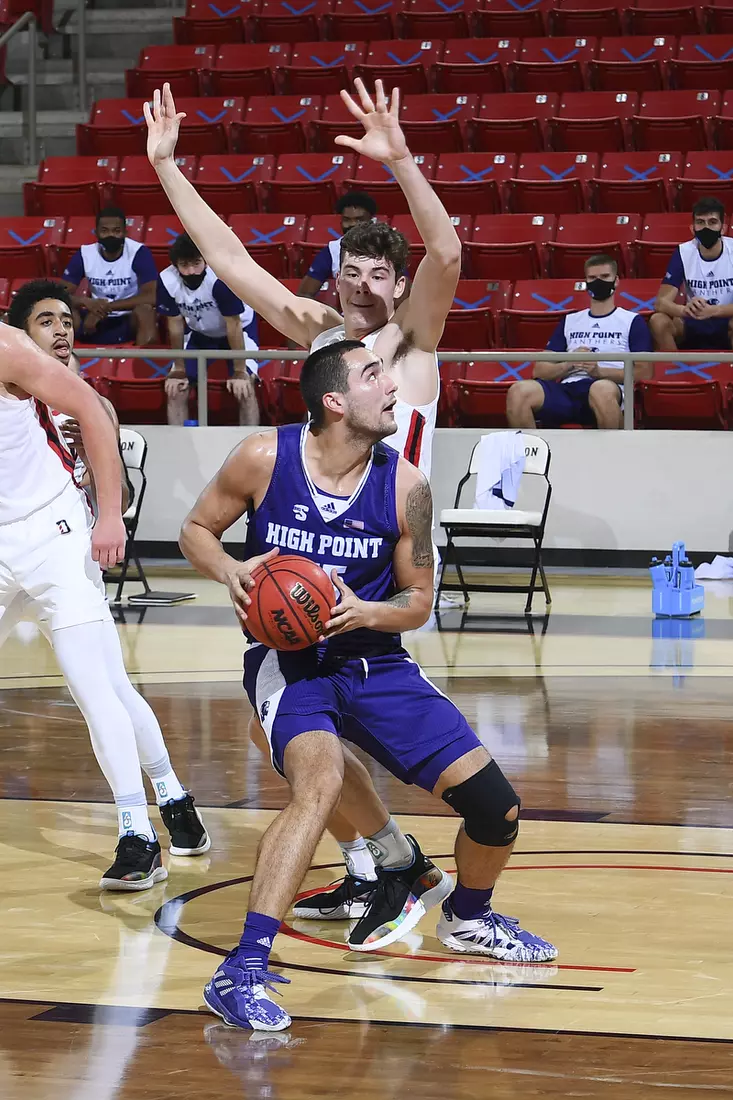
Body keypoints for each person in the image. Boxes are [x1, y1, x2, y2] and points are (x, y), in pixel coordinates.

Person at [144, 79, 459, 914]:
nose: (360, 284)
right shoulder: (322, 337)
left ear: (398, 285)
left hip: (384, 561)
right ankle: (380, 863)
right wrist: (167, 168)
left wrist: (402, 163)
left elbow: (449, 255)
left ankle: (393, 863)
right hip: (312, 555)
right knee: (273, 728)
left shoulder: (412, 339)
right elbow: (228, 261)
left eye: (377, 274)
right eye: (348, 270)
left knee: (312, 731)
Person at [179, 340, 557, 1031]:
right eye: (372, 376)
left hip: (376, 658)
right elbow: (196, 529)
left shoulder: (405, 485)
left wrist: (365, 612)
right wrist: (230, 570)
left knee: (495, 808)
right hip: (288, 664)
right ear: (333, 400)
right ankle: (242, 969)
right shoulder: (263, 457)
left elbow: (418, 600)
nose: (391, 388)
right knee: (317, 784)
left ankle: (466, 920)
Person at [1, 279, 210, 889]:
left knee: (96, 687)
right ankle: (175, 800)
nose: (62, 332)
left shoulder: (14, 352)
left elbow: (97, 411)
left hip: (53, 538)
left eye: (66, 321)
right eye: (50, 320)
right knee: (116, 686)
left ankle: (138, 832)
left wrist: (111, 515)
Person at [506, 254, 653, 430]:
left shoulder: (632, 321)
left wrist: (599, 371)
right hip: (568, 388)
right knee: (518, 392)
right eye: (592, 278)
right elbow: (540, 370)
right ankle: (532, 454)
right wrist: (569, 363)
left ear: (616, 281)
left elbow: (644, 372)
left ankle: (614, 455)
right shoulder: (570, 320)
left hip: (607, 387)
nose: (598, 281)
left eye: (605, 277)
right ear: (586, 282)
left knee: (601, 390)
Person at [158, 232, 260, 426]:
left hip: (239, 330)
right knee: (176, 387)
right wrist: (179, 367)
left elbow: (234, 324)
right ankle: (177, 446)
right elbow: (175, 325)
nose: (191, 271)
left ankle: (251, 443)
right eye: (184, 265)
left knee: (245, 385)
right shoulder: (166, 280)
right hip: (199, 334)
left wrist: (239, 370)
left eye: (196, 263)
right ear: (175, 265)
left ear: (205, 260)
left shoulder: (219, 279)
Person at [62, 206, 158, 347]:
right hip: (93, 316)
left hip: (126, 317)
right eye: (105, 231)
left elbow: (153, 296)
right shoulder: (85, 254)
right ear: (96, 233)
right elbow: (59, 294)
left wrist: (107, 308)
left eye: (116, 231)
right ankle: (60, 362)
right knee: (63, 310)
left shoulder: (139, 252)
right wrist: (85, 302)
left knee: (146, 311)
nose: (110, 235)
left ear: (125, 232)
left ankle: (143, 365)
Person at [650, 197, 733, 352]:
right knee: (658, 320)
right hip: (693, 320)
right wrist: (685, 310)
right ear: (692, 228)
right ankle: (673, 372)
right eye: (700, 222)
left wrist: (714, 310)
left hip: (725, 319)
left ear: (723, 228)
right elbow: (661, 303)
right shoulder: (683, 252)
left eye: (712, 222)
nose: (706, 227)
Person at [297, 191, 378, 299]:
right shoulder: (332, 250)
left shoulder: (388, 248)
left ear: (372, 221)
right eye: (347, 220)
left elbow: (403, 296)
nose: (353, 224)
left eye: (359, 219)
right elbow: (304, 295)